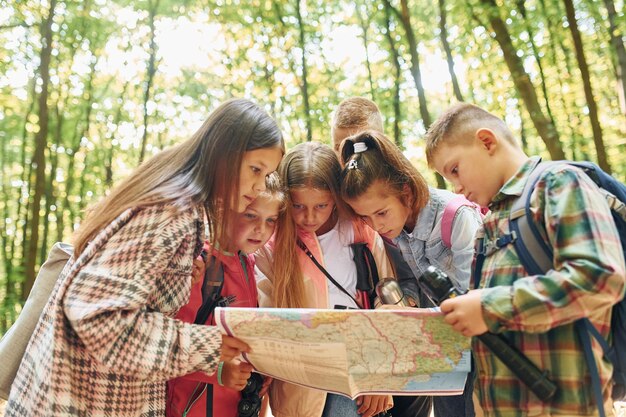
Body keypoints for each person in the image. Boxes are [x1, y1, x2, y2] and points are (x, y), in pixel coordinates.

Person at [5, 98, 285, 417]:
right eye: (255, 169)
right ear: (224, 154)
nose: (259, 185)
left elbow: (123, 293)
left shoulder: (174, 201)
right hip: (85, 401)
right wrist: (208, 345)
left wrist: (174, 280)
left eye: (267, 174)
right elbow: (99, 319)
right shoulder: (171, 212)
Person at [425, 102, 626, 417]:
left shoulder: (558, 183)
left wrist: (489, 308)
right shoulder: (489, 223)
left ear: (487, 141)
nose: (458, 189)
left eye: (454, 170)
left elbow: (600, 277)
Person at [339, 130, 482, 417]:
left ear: (405, 192)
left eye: (381, 213)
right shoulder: (393, 231)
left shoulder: (458, 219)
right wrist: (408, 304)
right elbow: (407, 280)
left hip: (480, 345)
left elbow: (476, 293)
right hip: (443, 350)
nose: (375, 226)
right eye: (365, 218)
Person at [255, 142, 395, 417]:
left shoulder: (360, 231)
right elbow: (264, 321)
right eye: (298, 206)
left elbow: (390, 304)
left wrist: (381, 377)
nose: (310, 216)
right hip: (301, 382)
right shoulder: (272, 245)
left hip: (358, 369)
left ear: (336, 196)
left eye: (321, 205)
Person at [332, 96, 437, 417]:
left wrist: (404, 304)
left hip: (406, 340)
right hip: (350, 356)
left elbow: (417, 278)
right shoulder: (327, 204)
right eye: (340, 146)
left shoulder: (401, 198)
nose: (349, 155)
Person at [167, 173, 287, 417]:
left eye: (271, 220)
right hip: (193, 408)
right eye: (251, 216)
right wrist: (218, 371)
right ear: (223, 210)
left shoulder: (248, 261)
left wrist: (259, 371)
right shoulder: (199, 267)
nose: (261, 230)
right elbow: (168, 346)